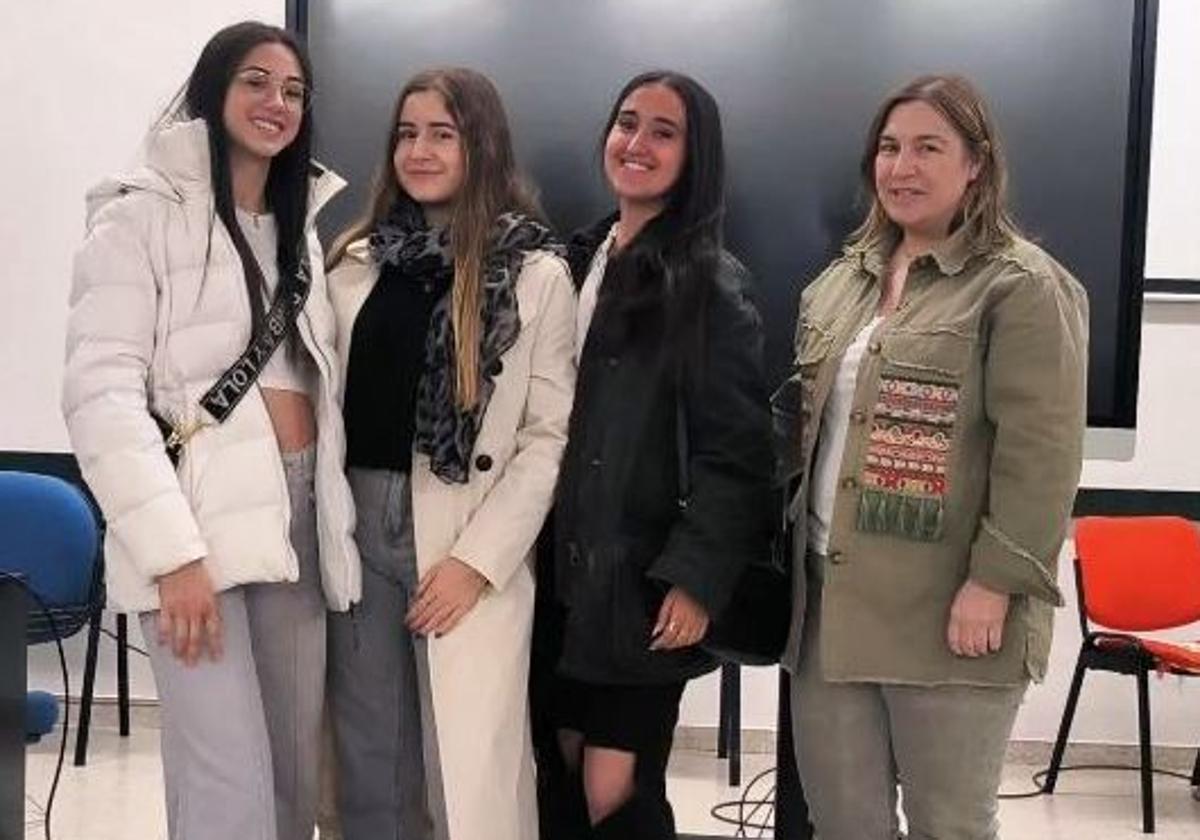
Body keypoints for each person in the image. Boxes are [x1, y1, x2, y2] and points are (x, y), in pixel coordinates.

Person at [62, 21, 359, 840]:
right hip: (194, 529)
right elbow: (101, 396)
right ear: (213, 88)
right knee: (227, 789)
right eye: (257, 82)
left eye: (294, 91)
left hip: (297, 518)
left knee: (295, 781)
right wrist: (174, 556)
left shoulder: (296, 227)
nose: (277, 102)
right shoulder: (138, 215)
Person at [777, 73, 1088, 840]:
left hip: (952, 611)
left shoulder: (1019, 286)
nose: (901, 167)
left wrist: (994, 581)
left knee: (949, 825)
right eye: (888, 147)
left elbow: (1041, 453)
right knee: (842, 821)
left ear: (976, 163)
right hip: (827, 608)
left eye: (928, 148)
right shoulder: (839, 282)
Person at [324, 67, 576, 840]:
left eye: (443, 133)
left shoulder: (535, 272)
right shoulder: (352, 261)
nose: (421, 150)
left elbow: (546, 439)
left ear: (482, 145)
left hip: (466, 531)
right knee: (369, 753)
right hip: (355, 523)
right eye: (407, 133)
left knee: (461, 762)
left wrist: (479, 562)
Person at [538, 70, 775, 839]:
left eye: (662, 132)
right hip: (554, 578)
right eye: (627, 123)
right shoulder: (571, 261)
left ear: (693, 155)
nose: (636, 144)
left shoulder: (710, 284)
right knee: (563, 769)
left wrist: (696, 579)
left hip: (639, 587)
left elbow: (736, 452)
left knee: (618, 788)